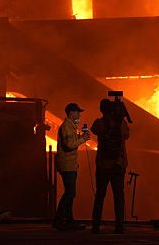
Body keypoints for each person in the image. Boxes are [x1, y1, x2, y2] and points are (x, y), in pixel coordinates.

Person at [90, 98, 130, 234]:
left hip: (103, 164)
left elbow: (93, 129)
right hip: (118, 164)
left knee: (100, 195)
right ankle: (119, 225)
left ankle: (96, 225)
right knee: (118, 196)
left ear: (101, 109)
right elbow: (127, 135)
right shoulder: (122, 124)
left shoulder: (99, 123)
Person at [52, 102, 90, 231]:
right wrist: (83, 139)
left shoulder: (70, 127)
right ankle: (59, 220)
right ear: (71, 113)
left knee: (70, 193)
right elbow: (69, 145)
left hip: (70, 164)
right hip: (67, 164)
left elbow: (70, 142)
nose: (79, 115)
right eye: (78, 112)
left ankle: (68, 220)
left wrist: (80, 136)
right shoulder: (67, 127)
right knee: (70, 193)